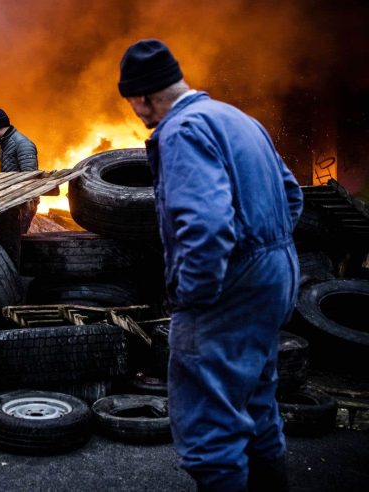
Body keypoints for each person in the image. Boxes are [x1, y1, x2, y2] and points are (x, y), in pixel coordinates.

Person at [118, 39, 302, 492]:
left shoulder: (182, 130)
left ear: (143, 96)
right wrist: (265, 258)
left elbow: (206, 228)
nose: (137, 114)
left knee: (209, 430)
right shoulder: (238, 119)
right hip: (276, 279)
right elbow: (292, 196)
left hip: (225, 291)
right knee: (258, 408)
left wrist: (192, 296)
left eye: (134, 104)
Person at [0, 107, 39, 233]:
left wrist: (24, 204)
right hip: (11, 200)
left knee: (16, 238)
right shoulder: (4, 144)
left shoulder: (23, 144)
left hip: (22, 202)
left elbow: (29, 177)